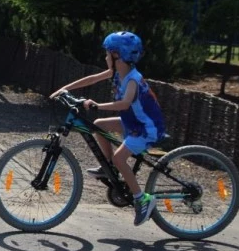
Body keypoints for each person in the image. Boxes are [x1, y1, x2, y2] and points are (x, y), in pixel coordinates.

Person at [50, 31, 166, 226]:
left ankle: (142, 198)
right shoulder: (117, 73)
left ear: (117, 56)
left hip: (146, 128)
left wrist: (97, 105)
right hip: (133, 123)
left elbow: (124, 104)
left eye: (107, 53)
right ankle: (109, 168)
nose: (105, 57)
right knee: (98, 125)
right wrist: (65, 89)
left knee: (121, 158)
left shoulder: (132, 79)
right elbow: (92, 79)